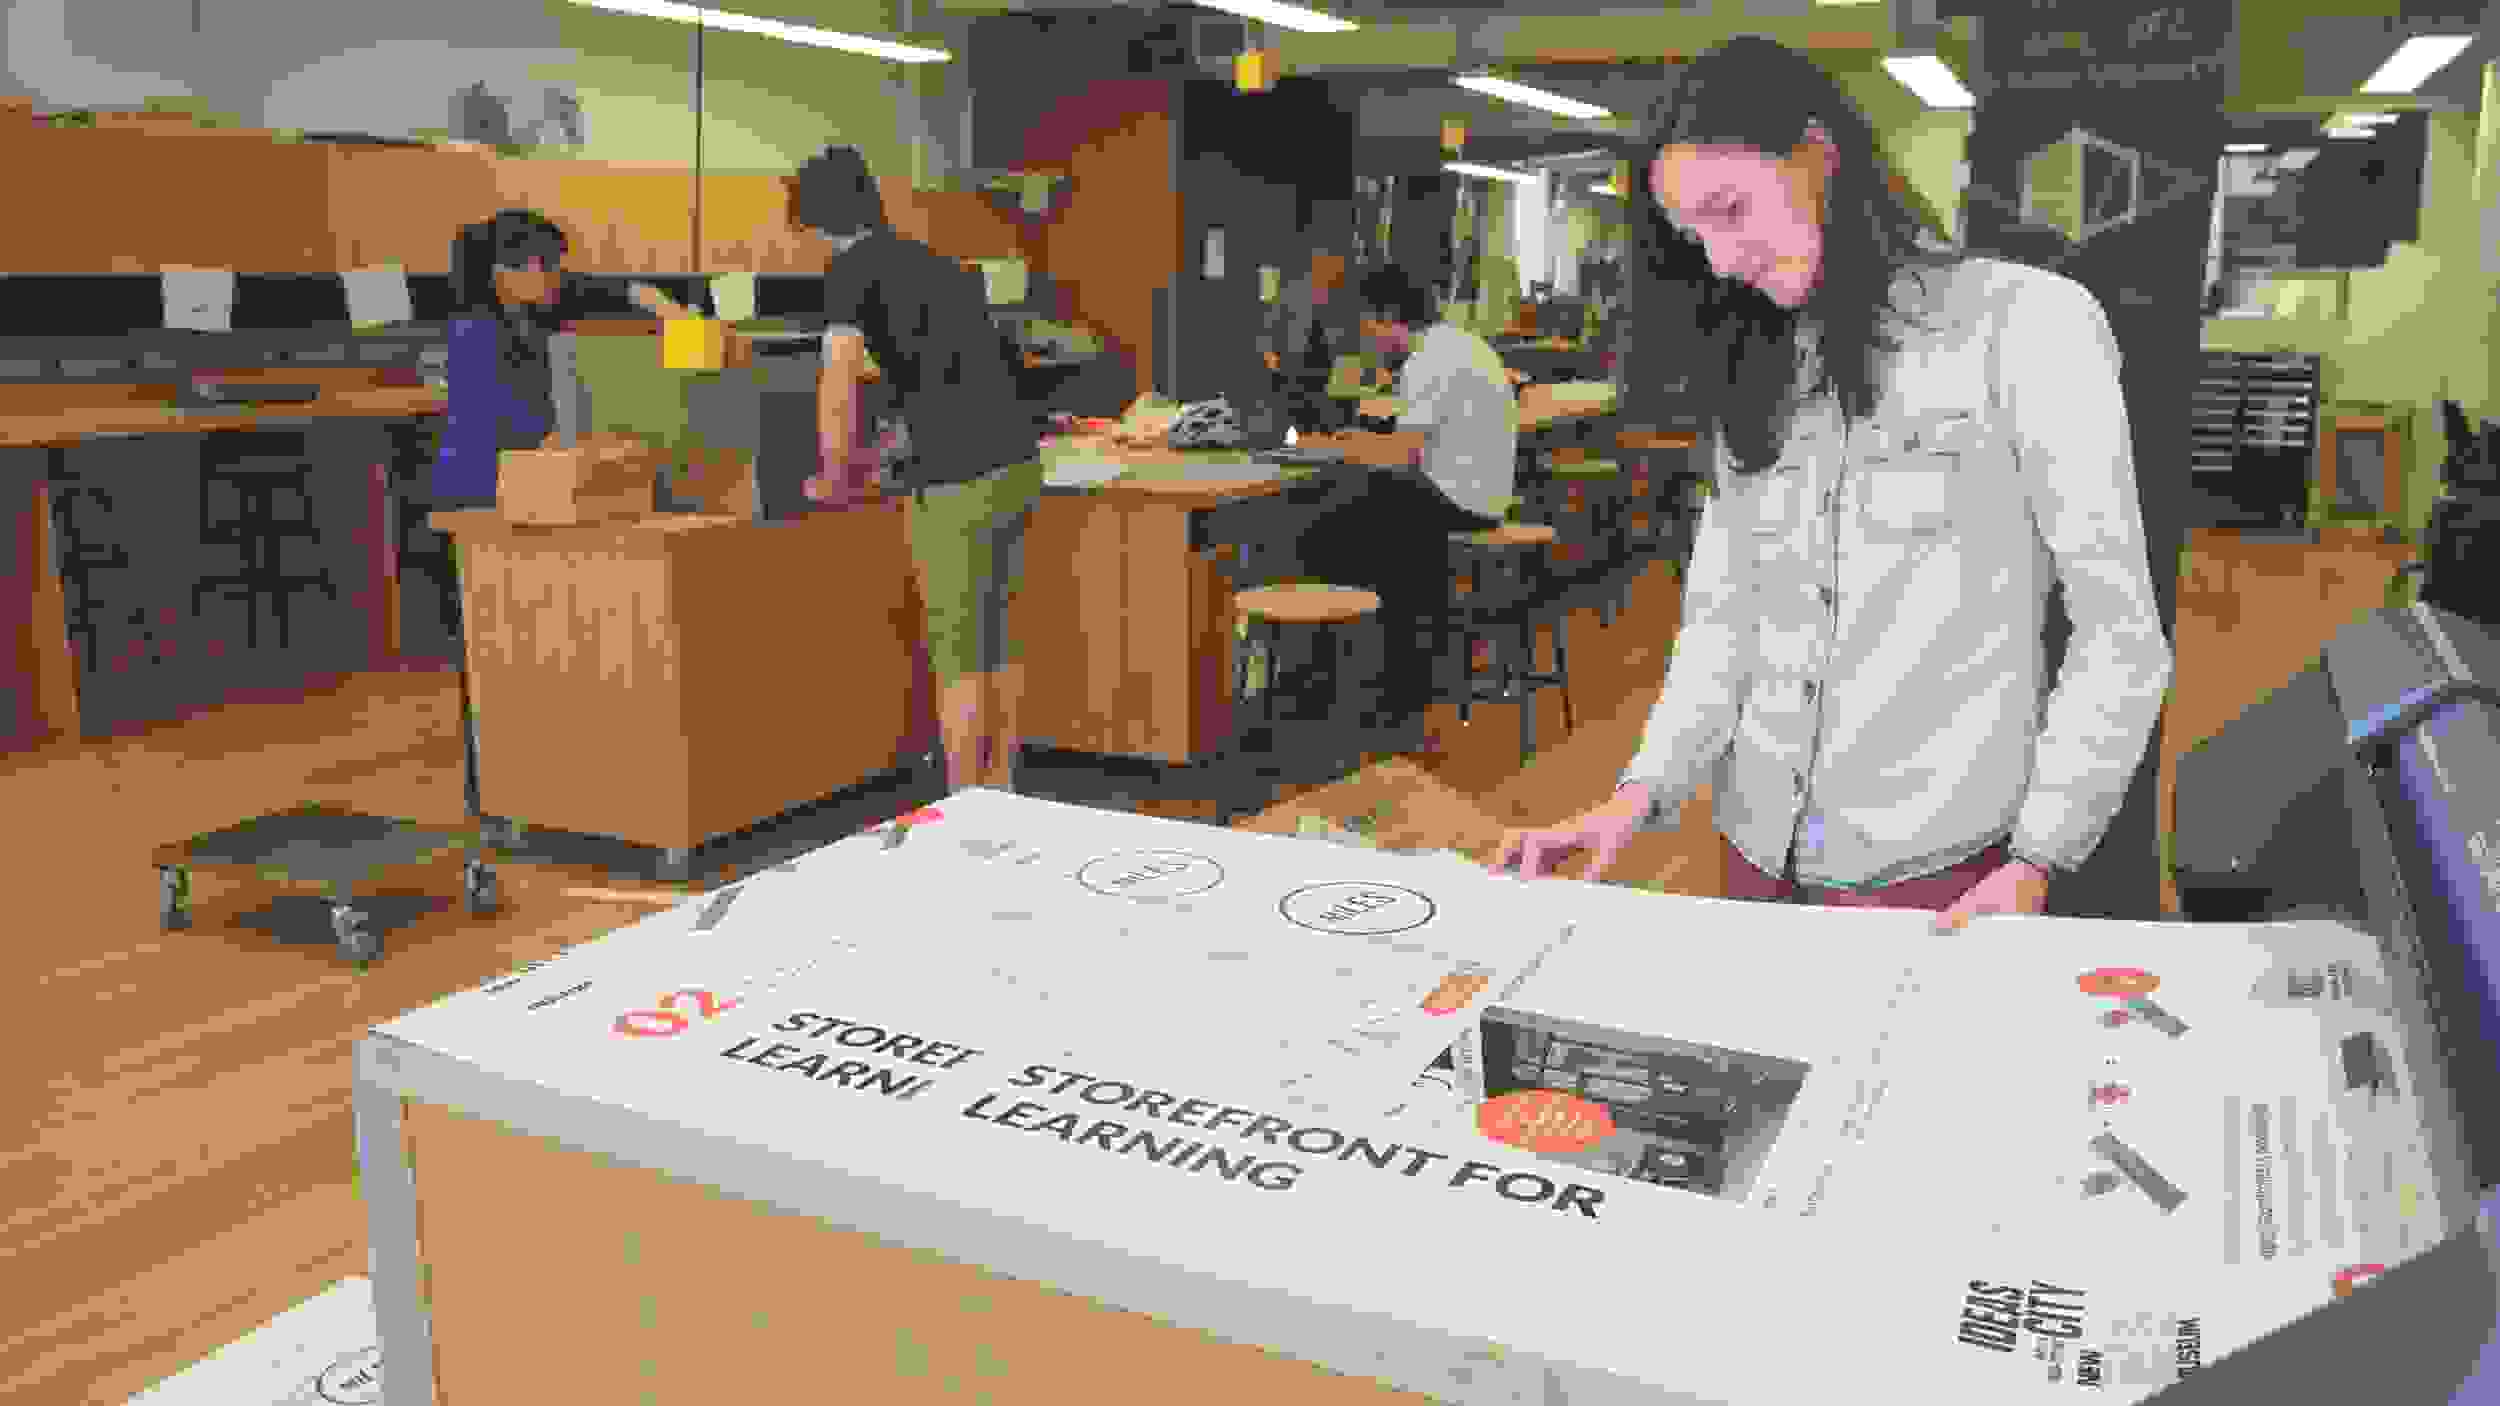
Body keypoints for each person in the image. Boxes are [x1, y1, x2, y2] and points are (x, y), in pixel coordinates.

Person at [1490, 35, 2173, 935]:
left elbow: (2121, 633)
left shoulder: (2024, 326)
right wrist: (1638, 795)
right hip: (1752, 856)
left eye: (1730, 210)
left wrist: (2038, 857)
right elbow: (1724, 618)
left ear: (1820, 152)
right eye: (1695, 237)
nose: (1722, 261)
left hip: (1936, 875)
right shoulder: (1758, 364)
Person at [789, 144, 1045, 793]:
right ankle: (1004, 783)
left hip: (957, 478)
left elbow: (839, 383)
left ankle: (965, 801)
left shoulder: (849, 274)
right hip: (1016, 462)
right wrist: (883, 450)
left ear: (812, 218)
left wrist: (836, 471)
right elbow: (950, 370)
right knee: (999, 634)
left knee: (958, 645)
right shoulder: (930, 260)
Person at [1296, 264, 1518, 741]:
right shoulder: (1459, 345)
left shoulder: (1428, 361)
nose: (1369, 340)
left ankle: (1341, 681)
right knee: (1368, 515)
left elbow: (1401, 454)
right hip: (1480, 495)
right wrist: (1356, 442)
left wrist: (1331, 445)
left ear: (1388, 318)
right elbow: (1411, 444)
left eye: (1369, 327)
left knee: (1322, 531)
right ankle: (1379, 677)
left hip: (1455, 499)